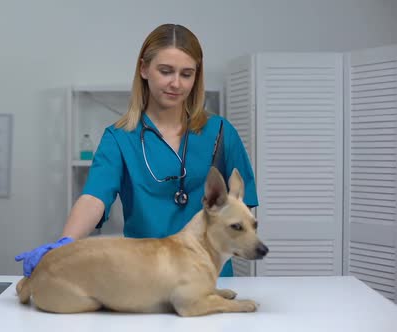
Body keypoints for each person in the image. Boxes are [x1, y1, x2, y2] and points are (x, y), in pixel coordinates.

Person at [15, 23, 258, 278]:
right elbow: (94, 197)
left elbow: (243, 207)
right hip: (144, 278)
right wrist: (65, 242)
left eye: (187, 74)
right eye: (166, 71)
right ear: (144, 69)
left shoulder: (220, 132)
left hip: (210, 277)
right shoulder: (119, 138)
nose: (176, 83)